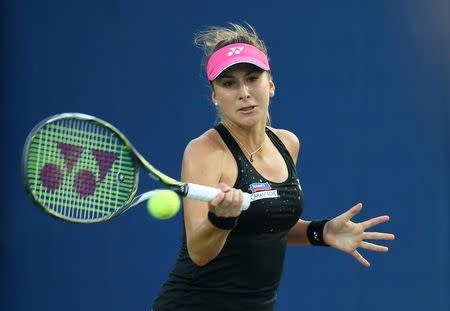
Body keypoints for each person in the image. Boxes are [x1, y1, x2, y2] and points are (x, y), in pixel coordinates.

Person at [152, 23, 395, 311]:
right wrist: (222, 219)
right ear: (215, 96)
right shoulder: (204, 151)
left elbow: (268, 224)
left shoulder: (287, 143)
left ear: (271, 84)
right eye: (229, 83)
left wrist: (321, 232)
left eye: (252, 78)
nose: (244, 92)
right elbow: (199, 252)